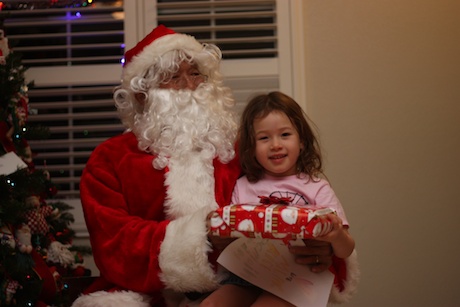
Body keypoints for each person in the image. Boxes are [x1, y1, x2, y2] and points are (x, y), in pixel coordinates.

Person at [73, 25, 358, 307]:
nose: (189, 84)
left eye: (196, 73)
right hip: (149, 293)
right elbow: (115, 244)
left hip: (252, 284)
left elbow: (297, 201)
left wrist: (322, 249)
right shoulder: (109, 160)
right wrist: (201, 237)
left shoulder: (241, 150)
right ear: (141, 95)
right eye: (173, 77)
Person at [200, 92, 357, 307]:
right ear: (251, 148)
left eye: (285, 135)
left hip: (299, 275)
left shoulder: (316, 187)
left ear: (301, 141)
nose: (275, 145)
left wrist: (337, 235)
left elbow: (345, 250)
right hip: (248, 275)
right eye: (264, 138)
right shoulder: (243, 186)